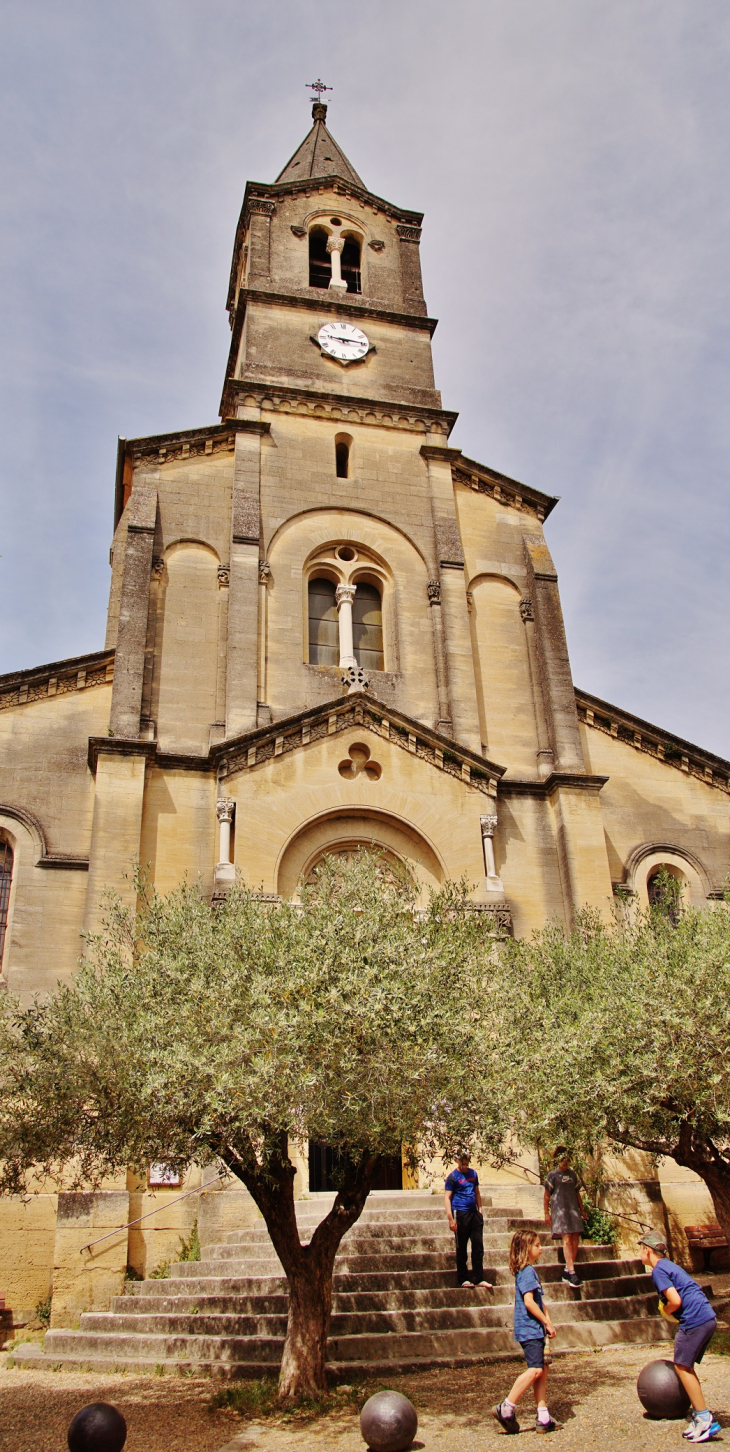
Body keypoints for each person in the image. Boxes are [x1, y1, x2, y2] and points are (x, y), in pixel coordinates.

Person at [639, 1229, 720, 1443]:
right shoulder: (669, 1265)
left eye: (641, 1249)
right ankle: (699, 1414)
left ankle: (704, 1418)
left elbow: (675, 1301)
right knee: (685, 1366)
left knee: (682, 1366)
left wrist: (666, 1311)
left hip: (695, 1319)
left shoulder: (658, 1271)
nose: (640, 1253)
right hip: (706, 1317)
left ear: (647, 1251)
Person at [493, 1228, 557, 1434]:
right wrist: (546, 1322)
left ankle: (543, 1416)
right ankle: (507, 1407)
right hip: (530, 1329)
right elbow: (530, 1303)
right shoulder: (527, 1271)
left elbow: (540, 1301)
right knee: (536, 1370)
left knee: (542, 1369)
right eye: (537, 1245)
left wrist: (548, 1322)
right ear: (526, 1249)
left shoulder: (528, 1271)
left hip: (535, 1329)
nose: (541, 1249)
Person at [444, 1152, 493, 1289]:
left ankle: (479, 1278)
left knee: (478, 1246)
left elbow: (476, 1192)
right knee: (462, 1248)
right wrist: (450, 1219)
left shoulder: (473, 1174)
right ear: (457, 1161)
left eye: (467, 1163)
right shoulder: (453, 1177)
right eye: (463, 1163)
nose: (465, 1166)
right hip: (460, 1213)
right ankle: (463, 1278)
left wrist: (480, 1209)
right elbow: (447, 1198)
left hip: (474, 1214)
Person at [543, 1146, 587, 1287]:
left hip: (573, 1210)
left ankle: (568, 1270)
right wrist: (546, 1213)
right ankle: (573, 1273)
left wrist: (582, 1210)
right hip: (560, 1211)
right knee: (567, 1238)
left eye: (567, 1160)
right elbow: (546, 1196)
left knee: (575, 1239)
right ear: (557, 1160)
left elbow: (577, 1194)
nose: (566, 1163)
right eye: (563, 1160)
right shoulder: (552, 1175)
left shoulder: (573, 1175)